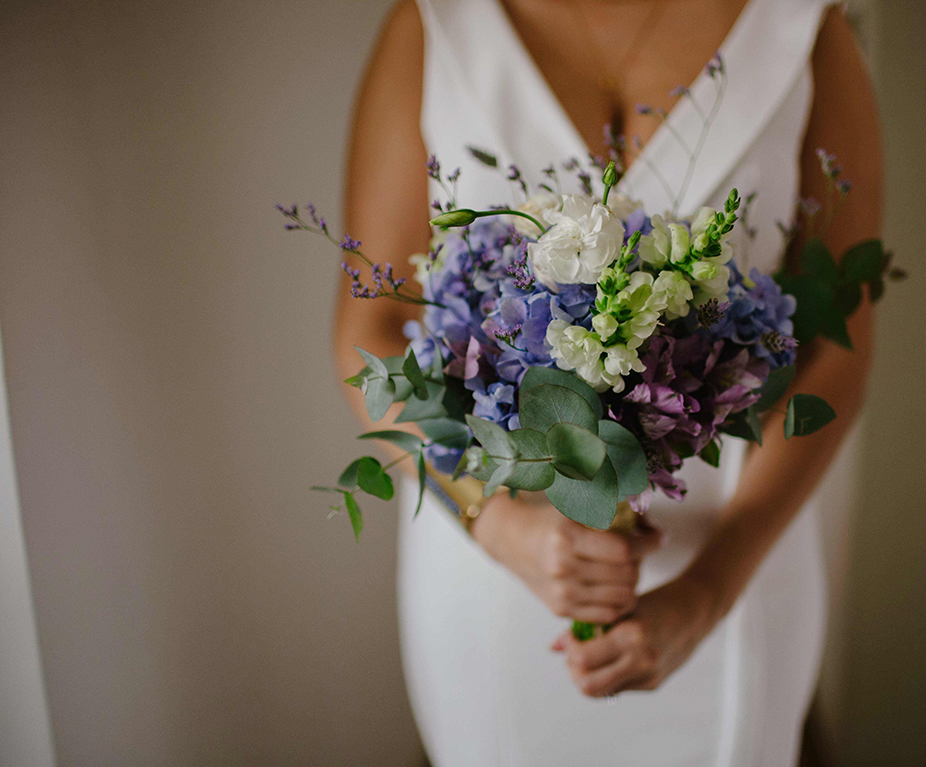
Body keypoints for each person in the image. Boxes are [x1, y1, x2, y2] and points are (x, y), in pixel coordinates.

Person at [334, 0, 880, 764]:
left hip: (731, 564)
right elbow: (369, 336)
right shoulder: (435, 24)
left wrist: (709, 591)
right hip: (499, 567)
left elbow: (837, 347)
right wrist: (498, 522)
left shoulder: (802, 25)